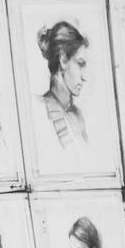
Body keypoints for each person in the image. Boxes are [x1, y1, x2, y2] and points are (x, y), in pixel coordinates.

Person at [36, 20, 91, 155]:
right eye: (80, 64)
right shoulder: (39, 110)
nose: (84, 76)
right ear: (63, 59)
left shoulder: (78, 116)